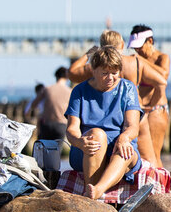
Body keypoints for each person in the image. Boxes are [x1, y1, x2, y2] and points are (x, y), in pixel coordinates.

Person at [68, 30, 166, 167]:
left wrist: (88, 54)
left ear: (100, 46)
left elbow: (72, 73)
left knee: (108, 154)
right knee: (152, 158)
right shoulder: (135, 62)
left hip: (112, 117)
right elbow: (162, 81)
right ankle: (156, 186)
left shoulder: (98, 67)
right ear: (122, 44)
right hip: (136, 112)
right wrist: (151, 106)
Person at [65, 46, 142, 200]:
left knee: (125, 147)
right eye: (105, 73)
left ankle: (97, 191)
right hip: (87, 149)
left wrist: (124, 138)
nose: (110, 78)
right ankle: (92, 187)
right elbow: (71, 129)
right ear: (93, 70)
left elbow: (132, 126)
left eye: (114, 73)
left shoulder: (127, 88)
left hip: (119, 150)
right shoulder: (79, 91)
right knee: (97, 135)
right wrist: (80, 142)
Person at [128, 24, 169, 164]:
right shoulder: (138, 59)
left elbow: (163, 76)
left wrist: (141, 62)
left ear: (150, 41)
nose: (137, 50)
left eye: (139, 46)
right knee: (143, 154)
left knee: (154, 154)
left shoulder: (162, 58)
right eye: (135, 47)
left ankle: (161, 185)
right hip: (141, 109)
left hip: (156, 109)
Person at [29, 67, 72, 141]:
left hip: (47, 123)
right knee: (56, 150)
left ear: (56, 76)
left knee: (44, 149)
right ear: (67, 77)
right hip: (61, 124)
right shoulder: (70, 91)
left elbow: (33, 105)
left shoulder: (47, 89)